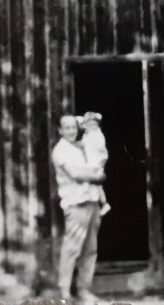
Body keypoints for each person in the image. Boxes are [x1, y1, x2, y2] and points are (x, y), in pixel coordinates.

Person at [52, 114, 104, 304]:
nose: (71, 131)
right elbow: (75, 174)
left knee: (90, 249)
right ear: (60, 131)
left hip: (91, 200)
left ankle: (84, 290)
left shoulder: (81, 147)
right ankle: (64, 292)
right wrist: (96, 176)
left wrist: (93, 174)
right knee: (72, 249)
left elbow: (96, 166)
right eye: (67, 128)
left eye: (73, 127)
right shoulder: (60, 150)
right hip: (75, 204)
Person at [78, 112, 111, 216]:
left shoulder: (97, 135)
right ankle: (101, 204)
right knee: (94, 186)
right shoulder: (87, 135)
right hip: (89, 163)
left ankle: (102, 204)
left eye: (93, 124)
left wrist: (99, 165)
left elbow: (102, 152)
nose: (91, 126)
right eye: (89, 124)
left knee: (94, 185)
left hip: (96, 163)